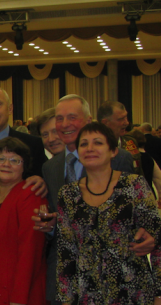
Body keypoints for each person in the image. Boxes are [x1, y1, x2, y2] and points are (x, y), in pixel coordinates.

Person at [34, 94, 148, 305]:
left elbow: (135, 217)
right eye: (60, 118)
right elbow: (58, 221)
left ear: (88, 120)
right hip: (65, 277)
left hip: (111, 278)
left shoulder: (118, 158)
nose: (64, 124)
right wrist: (50, 226)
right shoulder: (50, 167)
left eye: (72, 117)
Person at [56, 122, 161, 305]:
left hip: (133, 291)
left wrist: (159, 295)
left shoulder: (135, 185)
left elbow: (158, 241)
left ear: (113, 151)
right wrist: (66, 299)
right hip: (87, 294)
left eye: (98, 142)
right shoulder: (68, 194)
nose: (90, 148)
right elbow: (66, 252)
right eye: (84, 144)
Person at [0, 138, 46, 305]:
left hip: (16, 292)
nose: (6, 164)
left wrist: (19, 299)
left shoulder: (30, 195)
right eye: (0, 158)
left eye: (14, 160)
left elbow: (30, 252)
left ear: (24, 166)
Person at [98, 100, 161, 195]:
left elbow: (139, 175)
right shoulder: (93, 148)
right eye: (120, 119)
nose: (126, 123)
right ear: (105, 122)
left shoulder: (130, 142)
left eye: (126, 117)